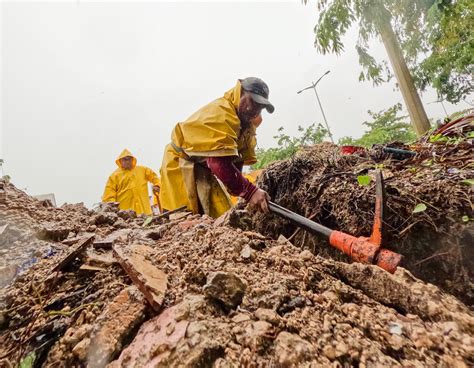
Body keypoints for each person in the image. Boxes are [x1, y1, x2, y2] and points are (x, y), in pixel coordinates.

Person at [160, 77, 274, 218]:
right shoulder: (222, 114)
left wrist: (242, 191)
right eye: (253, 102)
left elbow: (235, 164)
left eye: (260, 107)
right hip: (180, 162)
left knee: (222, 214)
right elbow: (218, 163)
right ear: (241, 93)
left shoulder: (245, 126)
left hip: (203, 167)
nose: (255, 110)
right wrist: (250, 192)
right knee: (185, 216)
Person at [102, 149, 160, 215]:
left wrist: (157, 185)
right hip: (126, 215)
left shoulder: (143, 170)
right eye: (125, 159)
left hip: (145, 212)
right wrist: (112, 208)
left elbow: (155, 178)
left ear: (132, 160)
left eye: (129, 159)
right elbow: (108, 195)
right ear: (120, 161)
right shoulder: (114, 176)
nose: (127, 161)